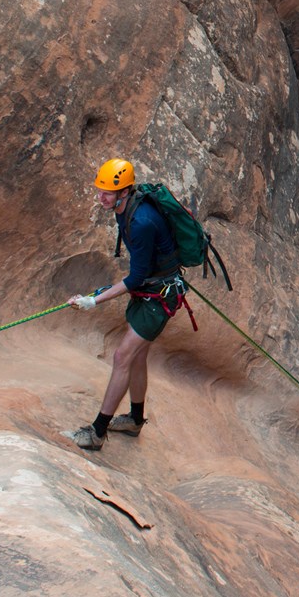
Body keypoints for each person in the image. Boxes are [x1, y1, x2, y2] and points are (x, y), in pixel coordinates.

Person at [64, 158, 182, 450]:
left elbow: (135, 277)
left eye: (107, 192)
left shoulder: (140, 221)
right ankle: (135, 421)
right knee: (137, 357)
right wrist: (95, 295)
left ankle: (97, 432)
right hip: (151, 291)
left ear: (125, 192)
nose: (100, 197)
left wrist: (95, 300)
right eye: (100, 190)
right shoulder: (123, 210)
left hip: (159, 297)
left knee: (122, 358)